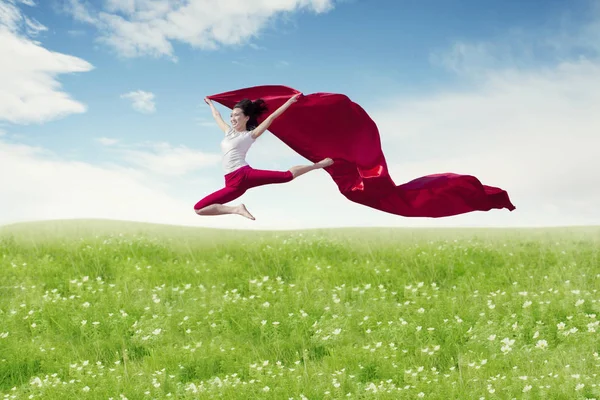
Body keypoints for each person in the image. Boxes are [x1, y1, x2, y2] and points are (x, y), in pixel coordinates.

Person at [195, 93, 334, 220]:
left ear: (246, 117)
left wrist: (290, 102)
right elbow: (217, 116)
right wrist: (210, 103)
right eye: (231, 115)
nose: (232, 118)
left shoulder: (250, 135)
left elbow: (271, 118)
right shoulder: (228, 132)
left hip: (243, 174)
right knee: (199, 209)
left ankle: (318, 165)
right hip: (231, 183)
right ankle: (237, 209)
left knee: (286, 176)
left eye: (237, 115)